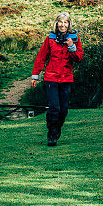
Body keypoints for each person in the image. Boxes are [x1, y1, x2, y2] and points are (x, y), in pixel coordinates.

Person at [31, 12, 84, 146]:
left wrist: (72, 46)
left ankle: (57, 128)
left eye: (65, 22)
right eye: (60, 22)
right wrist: (35, 75)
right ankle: (52, 134)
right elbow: (41, 57)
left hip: (66, 78)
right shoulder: (50, 38)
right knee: (54, 107)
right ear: (56, 23)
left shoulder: (75, 38)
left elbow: (79, 58)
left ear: (69, 24)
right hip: (51, 77)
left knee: (63, 110)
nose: (63, 24)